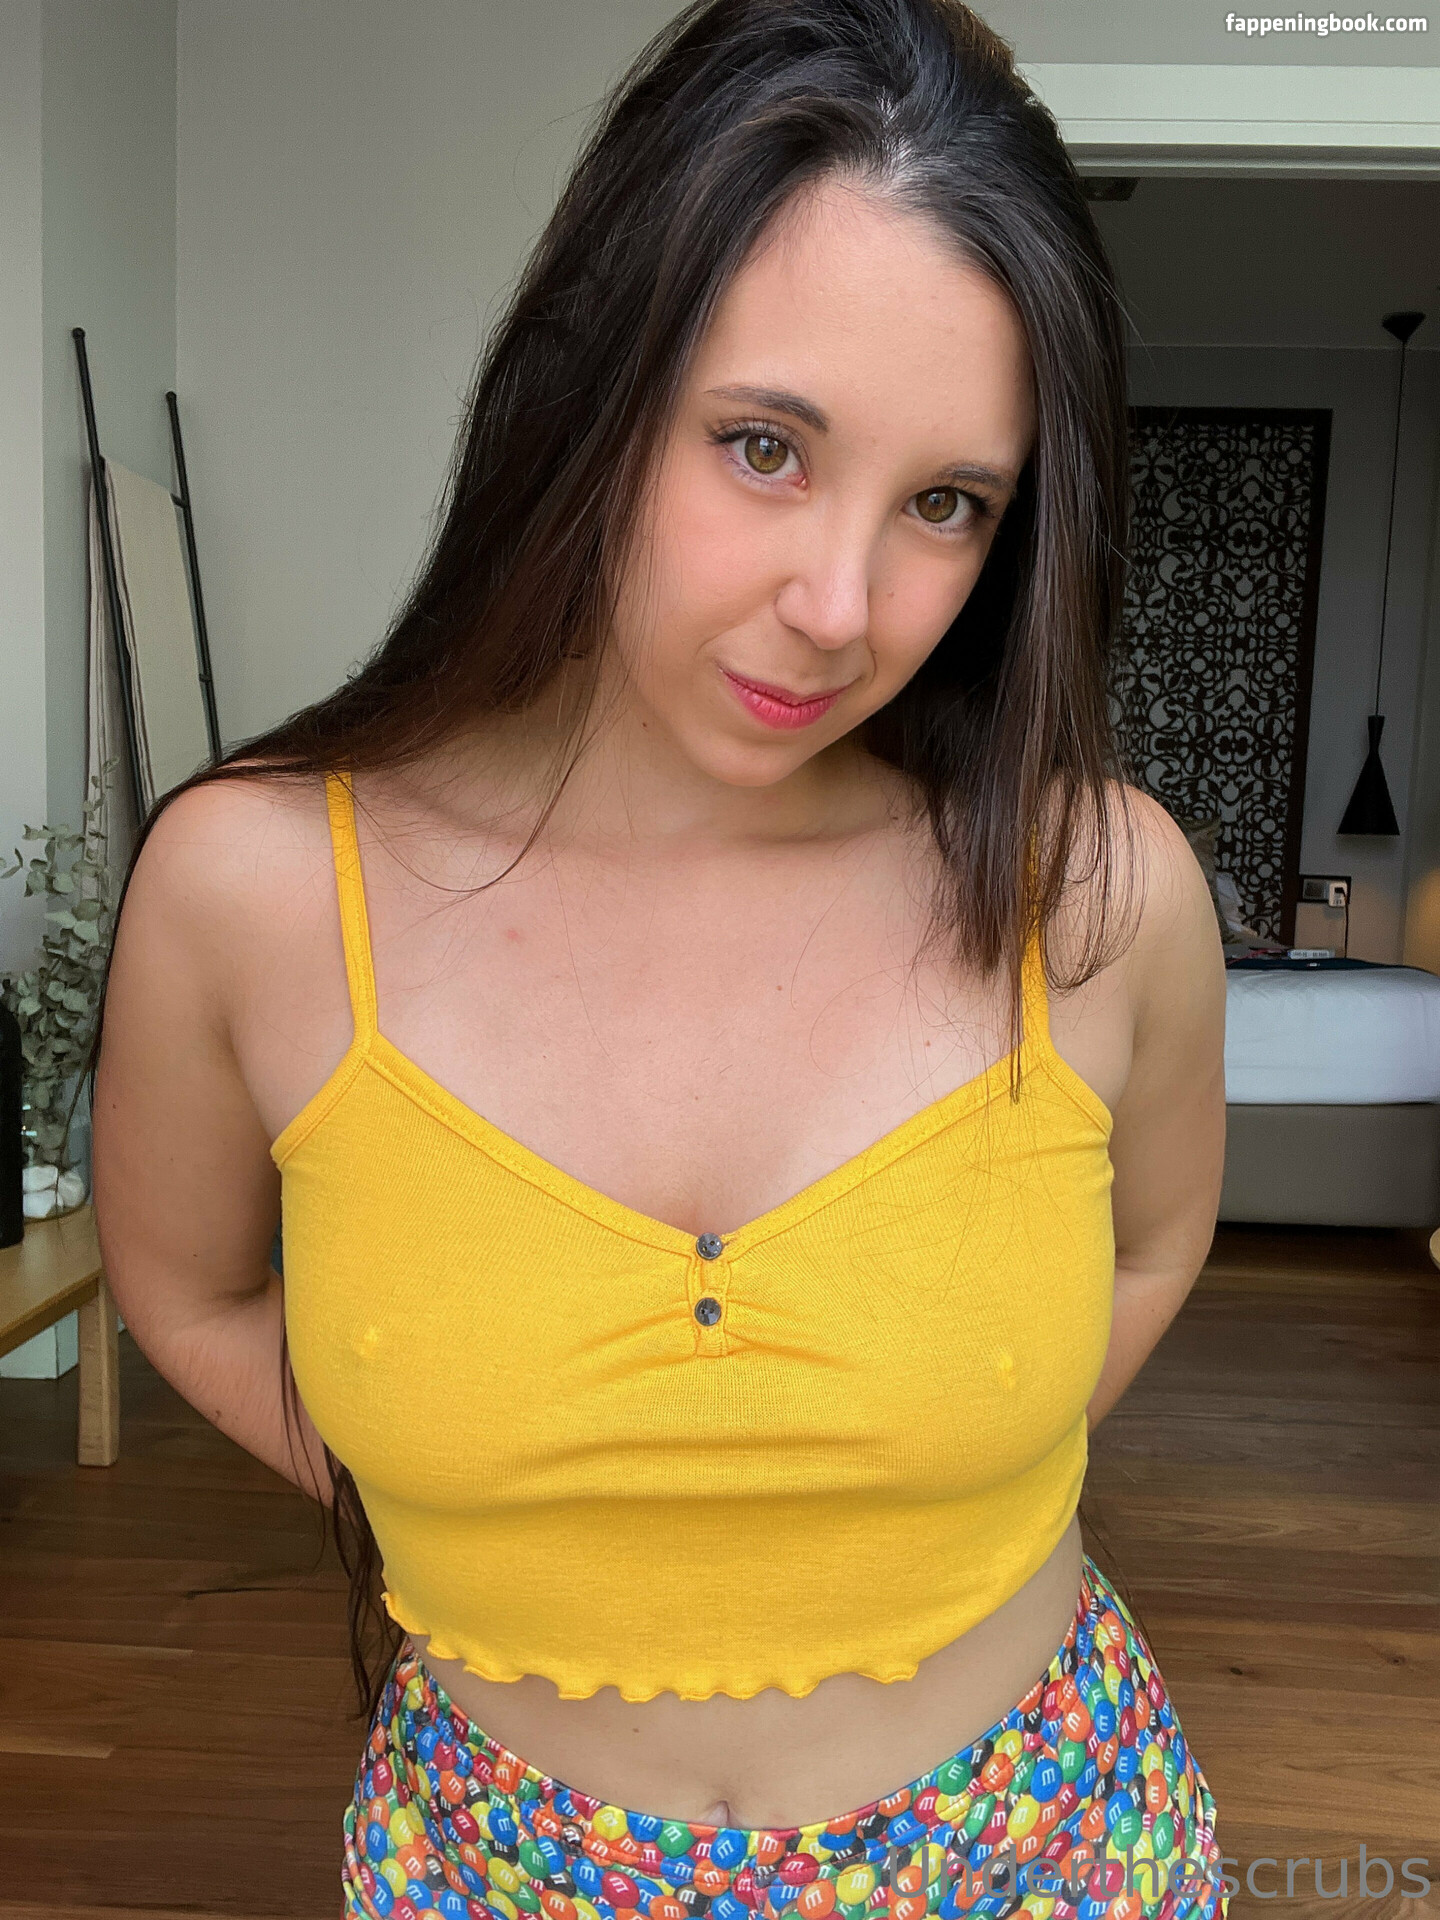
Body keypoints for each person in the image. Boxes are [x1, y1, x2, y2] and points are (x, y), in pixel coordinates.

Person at [91, 1, 1229, 1914]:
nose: (843, 606)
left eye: (947, 503)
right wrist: (487, 1492)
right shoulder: (257, 890)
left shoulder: (1100, 894)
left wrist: (917, 1471)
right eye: (764, 447)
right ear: (594, 391)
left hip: (1054, 1844)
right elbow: (190, 1295)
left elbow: (1151, 1243)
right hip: (493, 1862)